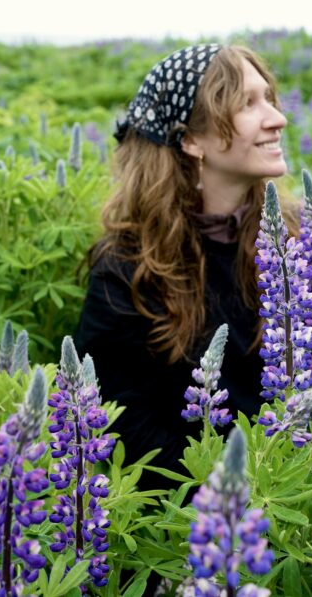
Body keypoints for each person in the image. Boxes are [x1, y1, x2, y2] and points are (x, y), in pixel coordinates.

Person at [73, 43, 295, 493]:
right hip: (185, 528)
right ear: (191, 139)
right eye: (247, 104)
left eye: (268, 98)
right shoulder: (128, 269)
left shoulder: (306, 242)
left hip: (300, 496)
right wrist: (231, 499)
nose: (277, 118)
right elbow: (125, 429)